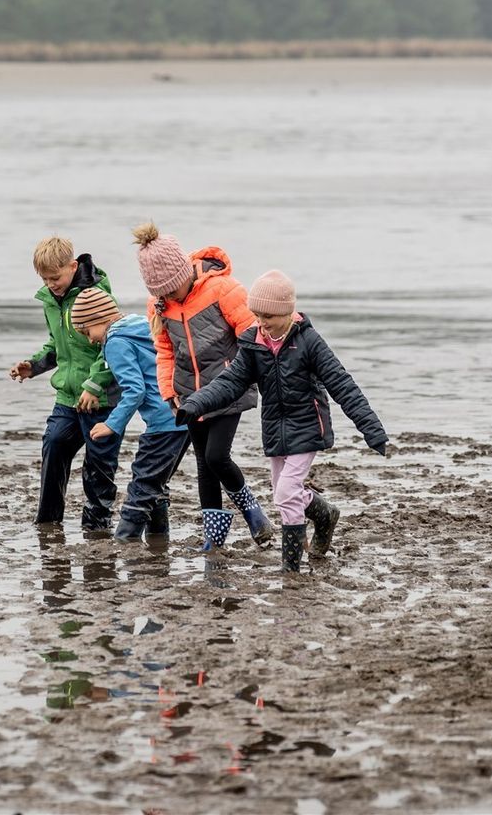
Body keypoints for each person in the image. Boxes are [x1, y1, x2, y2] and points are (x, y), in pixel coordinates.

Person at [176, 269, 392, 573]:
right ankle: (326, 514)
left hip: (307, 426)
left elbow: (342, 384)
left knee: (285, 493)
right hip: (276, 429)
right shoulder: (253, 344)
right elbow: (230, 382)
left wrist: (372, 431)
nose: (262, 322)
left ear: (287, 312)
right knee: (283, 489)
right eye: (257, 315)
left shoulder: (309, 342)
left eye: (269, 316)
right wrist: (194, 404)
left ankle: (291, 567)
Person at [133, 221, 273, 551]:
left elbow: (253, 335)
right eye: (160, 294)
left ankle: (254, 514)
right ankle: (214, 537)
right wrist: (170, 394)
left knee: (217, 457)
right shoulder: (159, 305)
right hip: (189, 396)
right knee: (203, 465)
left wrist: (259, 377)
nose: (166, 297)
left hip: (228, 388)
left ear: (183, 275)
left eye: (170, 290)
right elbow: (165, 350)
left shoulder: (223, 289)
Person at [9, 236, 121, 530]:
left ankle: (97, 527)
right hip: (68, 397)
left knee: (99, 467)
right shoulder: (50, 301)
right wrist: (32, 366)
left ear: (73, 266)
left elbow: (112, 345)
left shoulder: (95, 295)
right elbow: (58, 346)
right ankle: (47, 522)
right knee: (54, 445)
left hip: (102, 399)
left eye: (55, 277)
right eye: (44, 279)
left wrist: (95, 385)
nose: (50, 284)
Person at [71, 287, 189, 542]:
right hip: (186, 414)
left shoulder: (115, 342)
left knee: (142, 484)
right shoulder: (138, 323)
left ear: (99, 319)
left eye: (87, 332)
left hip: (164, 421)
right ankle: (159, 541)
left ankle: (125, 540)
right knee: (156, 484)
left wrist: (111, 424)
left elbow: (135, 391)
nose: (90, 340)